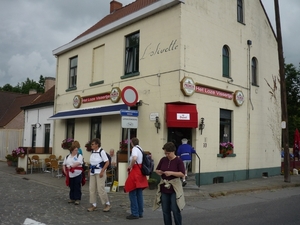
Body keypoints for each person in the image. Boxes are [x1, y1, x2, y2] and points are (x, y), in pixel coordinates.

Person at [154, 142, 185, 225]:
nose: (167, 155)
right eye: (165, 153)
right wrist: (159, 172)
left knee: (175, 209)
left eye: (168, 153)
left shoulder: (178, 161)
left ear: (173, 151)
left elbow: (182, 173)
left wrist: (171, 173)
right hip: (164, 187)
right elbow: (157, 170)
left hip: (174, 188)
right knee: (165, 210)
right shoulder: (163, 160)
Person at [124, 137, 148, 219]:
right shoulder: (140, 148)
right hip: (140, 171)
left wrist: (130, 166)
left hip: (135, 171)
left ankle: (135, 213)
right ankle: (140, 212)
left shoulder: (134, 148)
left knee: (132, 191)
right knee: (139, 193)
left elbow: (134, 158)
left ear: (132, 143)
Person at [87, 138, 111, 212]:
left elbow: (107, 162)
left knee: (100, 189)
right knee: (92, 189)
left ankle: (107, 204)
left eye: (93, 144)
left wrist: (102, 171)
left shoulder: (102, 151)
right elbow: (92, 163)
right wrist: (89, 170)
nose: (91, 145)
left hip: (100, 172)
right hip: (93, 172)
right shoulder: (93, 152)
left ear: (97, 145)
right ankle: (94, 204)